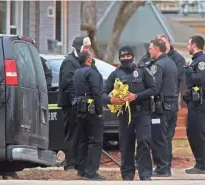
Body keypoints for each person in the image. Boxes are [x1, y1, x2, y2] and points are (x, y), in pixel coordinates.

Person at [103, 46, 157, 181]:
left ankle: (145, 174)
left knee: (144, 142)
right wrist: (111, 99)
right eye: (123, 57)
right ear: (120, 58)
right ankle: (127, 175)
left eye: (128, 57)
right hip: (124, 114)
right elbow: (102, 93)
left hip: (142, 112)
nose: (126, 59)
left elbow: (153, 89)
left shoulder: (142, 71)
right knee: (126, 145)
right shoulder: (115, 74)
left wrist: (136, 96)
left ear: (133, 57)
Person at [57, 36, 92, 171]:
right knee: (73, 133)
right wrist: (77, 101)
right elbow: (68, 83)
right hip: (71, 105)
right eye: (86, 48)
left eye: (89, 48)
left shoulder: (83, 62)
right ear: (79, 48)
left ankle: (79, 161)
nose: (88, 50)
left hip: (80, 104)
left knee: (81, 133)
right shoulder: (69, 62)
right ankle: (70, 162)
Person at [146, 39, 178, 177]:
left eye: (150, 48)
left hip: (161, 107)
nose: (149, 51)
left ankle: (162, 168)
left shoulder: (157, 65)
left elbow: (155, 87)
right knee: (167, 138)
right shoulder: (171, 63)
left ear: (157, 49)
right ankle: (166, 166)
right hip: (172, 106)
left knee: (158, 137)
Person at [73, 51, 106, 180]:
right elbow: (97, 92)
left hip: (79, 108)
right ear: (88, 60)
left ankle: (81, 169)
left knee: (83, 139)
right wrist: (99, 111)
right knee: (95, 140)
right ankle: (91, 172)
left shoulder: (77, 73)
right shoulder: (92, 73)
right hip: (91, 108)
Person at [156, 34, 186, 172]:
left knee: (166, 135)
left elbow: (177, 79)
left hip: (170, 100)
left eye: (164, 42)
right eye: (159, 42)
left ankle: (165, 165)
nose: (161, 44)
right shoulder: (152, 56)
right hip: (157, 102)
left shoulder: (177, 60)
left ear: (169, 43)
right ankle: (162, 164)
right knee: (159, 135)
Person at [183, 35, 205, 174]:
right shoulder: (196, 61)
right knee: (192, 132)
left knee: (198, 133)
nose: (187, 47)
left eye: (188, 44)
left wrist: (188, 70)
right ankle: (200, 163)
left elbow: (199, 79)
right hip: (194, 102)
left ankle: (203, 165)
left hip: (200, 103)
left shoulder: (202, 61)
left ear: (194, 45)